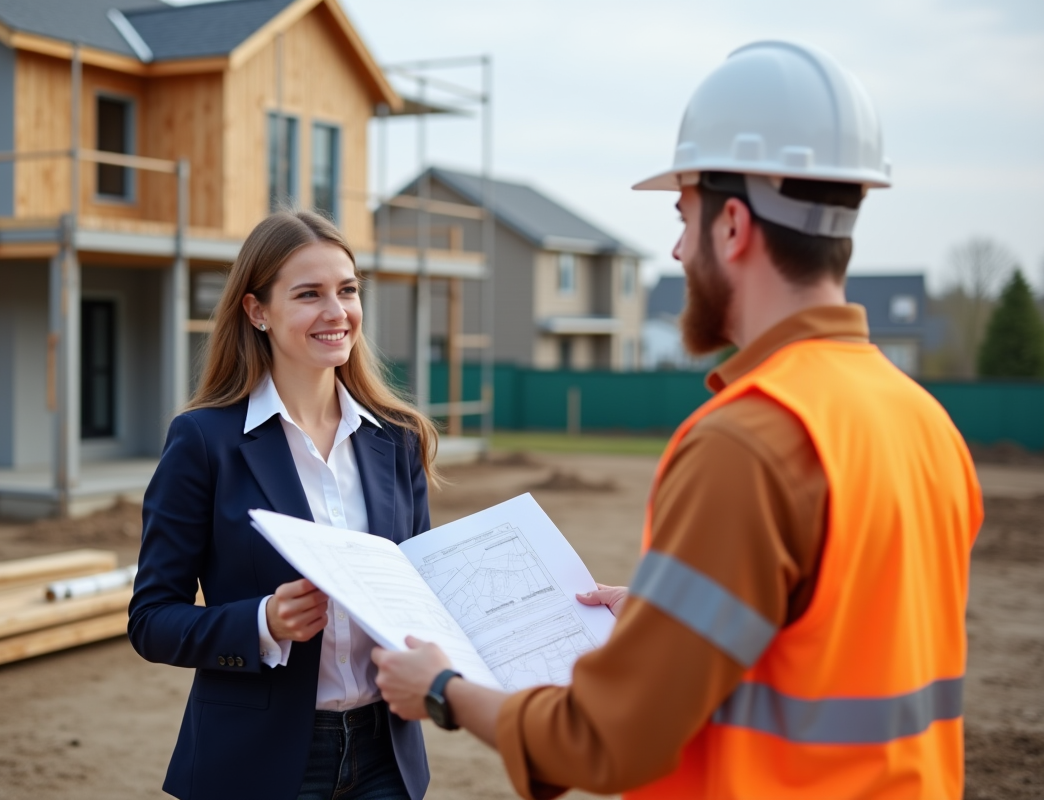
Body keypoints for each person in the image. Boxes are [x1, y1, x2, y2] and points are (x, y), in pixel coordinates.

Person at [371, 41, 983, 799]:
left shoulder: (750, 440)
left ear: (732, 225)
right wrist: (669, 621)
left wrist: (443, 689)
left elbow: (603, 741)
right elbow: (843, 644)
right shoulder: (923, 421)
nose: (676, 247)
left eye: (682, 216)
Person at [129, 210, 437, 800]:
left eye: (347, 290)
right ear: (257, 311)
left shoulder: (398, 438)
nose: (336, 312)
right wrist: (262, 622)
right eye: (308, 294)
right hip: (257, 763)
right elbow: (151, 621)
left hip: (386, 759)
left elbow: (423, 596)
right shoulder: (203, 442)